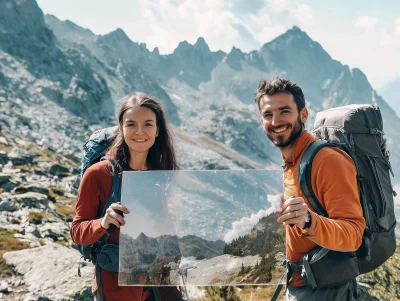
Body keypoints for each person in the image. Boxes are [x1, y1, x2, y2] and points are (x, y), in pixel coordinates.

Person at [254, 78, 366, 300]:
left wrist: (308, 221)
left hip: (326, 291)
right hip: (298, 286)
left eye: (284, 111)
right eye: (268, 114)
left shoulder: (327, 161)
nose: (276, 121)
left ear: (303, 115)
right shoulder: (291, 162)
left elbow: (353, 234)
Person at [70, 93, 182, 301]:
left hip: (160, 288)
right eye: (131, 124)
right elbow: (77, 232)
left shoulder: (163, 176)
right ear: (121, 128)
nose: (140, 132)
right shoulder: (99, 174)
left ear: (158, 130)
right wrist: (103, 222)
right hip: (117, 291)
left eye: (148, 124)